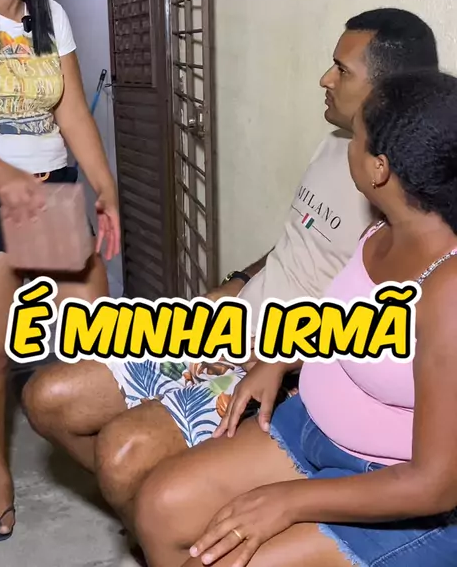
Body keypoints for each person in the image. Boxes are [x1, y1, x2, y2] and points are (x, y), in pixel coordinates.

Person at [22, 8, 439, 533]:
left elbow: (377, 335)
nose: (325, 79)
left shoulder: (400, 197)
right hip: (229, 323)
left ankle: (164, 516)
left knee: (123, 453)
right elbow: (299, 242)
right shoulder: (338, 146)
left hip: (274, 362)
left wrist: (282, 363)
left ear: (388, 90)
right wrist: (237, 282)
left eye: (341, 70)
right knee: (46, 398)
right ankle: (153, 513)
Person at [131, 69, 457, 567]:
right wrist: (283, 358)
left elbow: (435, 484)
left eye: (357, 138)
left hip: (395, 485)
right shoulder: (385, 227)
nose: (347, 146)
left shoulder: (447, 291)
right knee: (160, 508)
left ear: (380, 169)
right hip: (311, 427)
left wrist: (289, 501)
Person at [0, 0, 120, 541]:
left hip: (54, 191)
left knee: (99, 334)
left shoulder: (50, 16)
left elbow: (71, 112)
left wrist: (103, 187)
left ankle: (118, 459)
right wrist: (1, 174)